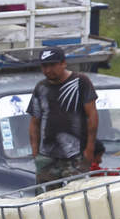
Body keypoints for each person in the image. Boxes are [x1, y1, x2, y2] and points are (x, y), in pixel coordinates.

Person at [27, 46, 98, 186]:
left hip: (75, 156)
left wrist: (90, 149)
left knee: (76, 197)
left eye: (52, 65)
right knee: (46, 201)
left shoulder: (80, 82)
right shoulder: (40, 87)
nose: (48, 70)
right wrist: (36, 153)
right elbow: (34, 122)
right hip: (47, 157)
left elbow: (92, 116)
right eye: (44, 66)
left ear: (63, 63)